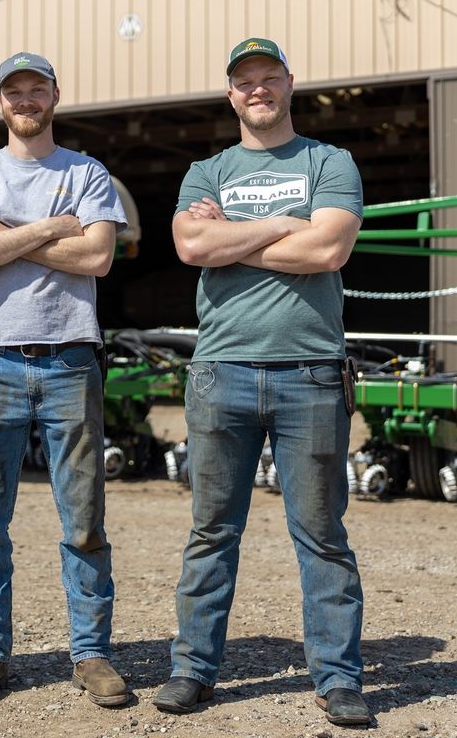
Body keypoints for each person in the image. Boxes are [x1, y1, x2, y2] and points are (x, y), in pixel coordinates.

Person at [155, 38, 370, 727]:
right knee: (212, 531)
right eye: (245, 81)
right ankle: (192, 670)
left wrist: (240, 234)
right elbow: (192, 247)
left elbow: (330, 248)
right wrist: (286, 224)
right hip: (223, 372)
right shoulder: (205, 170)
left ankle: (338, 679)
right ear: (231, 94)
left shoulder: (328, 161)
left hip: (310, 372)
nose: (257, 89)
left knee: (322, 534)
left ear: (289, 84)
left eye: (268, 77)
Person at [0, 52, 130, 707]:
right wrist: (51, 228)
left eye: (36, 88)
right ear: (0, 102)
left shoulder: (87, 171)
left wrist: (8, 235)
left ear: (54, 95)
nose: (26, 99)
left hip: (71, 357)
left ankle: (92, 653)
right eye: (14, 90)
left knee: (83, 520)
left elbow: (98, 256)